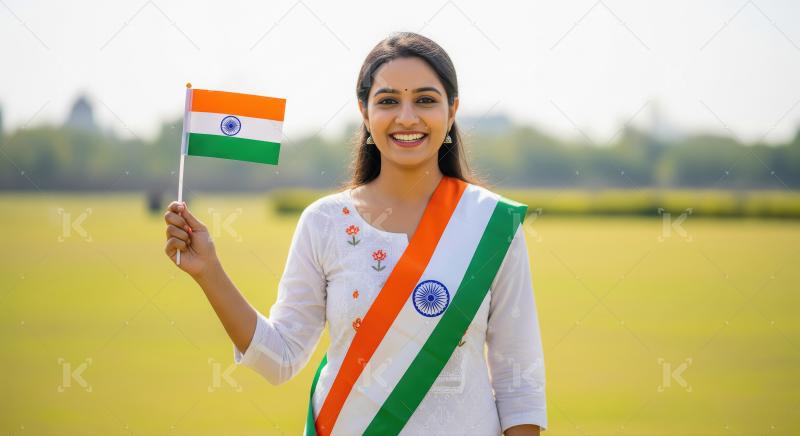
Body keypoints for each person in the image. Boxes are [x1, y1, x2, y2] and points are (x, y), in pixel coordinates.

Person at [164, 32, 547, 435]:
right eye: (387, 101)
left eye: (425, 99)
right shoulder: (325, 222)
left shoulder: (490, 224)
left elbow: (518, 382)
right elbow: (279, 359)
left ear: (452, 110)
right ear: (364, 111)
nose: (406, 117)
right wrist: (209, 271)